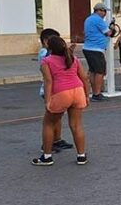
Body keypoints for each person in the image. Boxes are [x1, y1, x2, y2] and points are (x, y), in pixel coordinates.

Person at [32, 36, 90, 166]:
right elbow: (84, 78)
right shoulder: (73, 59)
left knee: (49, 124)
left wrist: (48, 101)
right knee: (76, 125)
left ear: (49, 47)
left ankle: (47, 156)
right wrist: (87, 95)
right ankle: (81, 156)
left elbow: (48, 82)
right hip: (78, 90)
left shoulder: (46, 61)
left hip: (61, 93)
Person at [37, 28, 73, 152]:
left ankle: (57, 139)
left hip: (57, 89)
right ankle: (47, 144)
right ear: (46, 41)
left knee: (57, 117)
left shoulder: (52, 55)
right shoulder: (44, 53)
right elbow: (49, 61)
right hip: (49, 90)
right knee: (51, 119)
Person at [82, 3, 118, 101]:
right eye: (104, 11)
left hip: (88, 48)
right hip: (96, 49)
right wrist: (112, 27)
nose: (105, 14)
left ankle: (94, 92)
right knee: (100, 71)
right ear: (99, 10)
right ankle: (97, 94)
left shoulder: (88, 19)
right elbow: (109, 33)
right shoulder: (98, 20)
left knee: (93, 71)